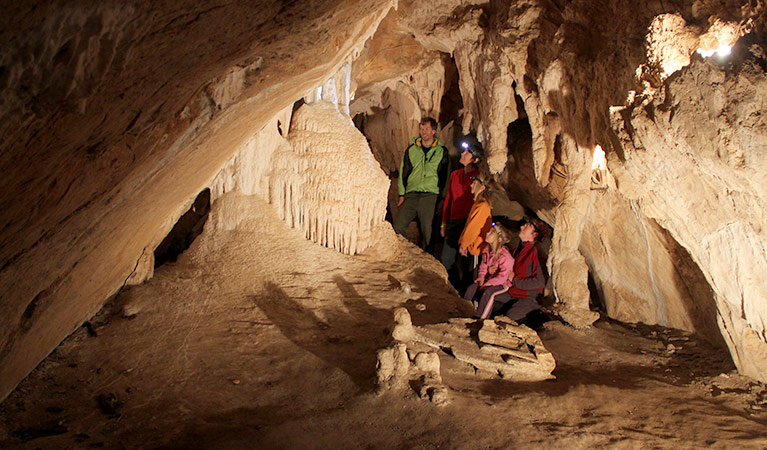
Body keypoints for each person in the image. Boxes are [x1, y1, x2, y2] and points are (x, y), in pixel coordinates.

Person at [476, 218, 550, 323]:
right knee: (486, 295)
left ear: (534, 235)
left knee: (506, 321)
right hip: (512, 292)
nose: (521, 227)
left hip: (528, 297)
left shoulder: (537, 253)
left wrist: (516, 280)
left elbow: (540, 281)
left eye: (527, 226)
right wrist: (495, 270)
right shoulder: (519, 248)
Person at [393, 117, 449, 249]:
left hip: (430, 195)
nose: (423, 132)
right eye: (422, 129)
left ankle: (428, 260)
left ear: (434, 131)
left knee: (428, 232)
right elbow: (404, 172)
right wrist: (402, 194)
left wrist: (442, 198)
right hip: (411, 193)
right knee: (398, 227)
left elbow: (445, 176)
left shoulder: (442, 152)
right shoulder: (412, 150)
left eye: (427, 129)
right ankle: (410, 252)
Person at [440, 138, 482, 292]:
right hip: (454, 220)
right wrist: (444, 223)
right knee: (446, 259)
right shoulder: (455, 175)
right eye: (463, 151)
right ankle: (454, 288)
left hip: (468, 223)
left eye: (467, 153)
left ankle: (466, 293)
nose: (462, 154)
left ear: (475, 159)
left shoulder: (478, 177)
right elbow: (449, 200)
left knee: (466, 261)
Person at [464, 223, 515, 318]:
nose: (487, 233)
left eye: (491, 232)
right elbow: (483, 267)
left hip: (502, 285)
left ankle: (480, 318)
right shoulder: (486, 250)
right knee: (471, 289)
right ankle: (463, 311)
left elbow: (503, 277)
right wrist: (481, 279)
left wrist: (487, 284)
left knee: (489, 293)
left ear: (499, 239)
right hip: (488, 280)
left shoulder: (505, 257)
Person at [458, 174, 493, 258]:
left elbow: (473, 228)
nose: (471, 185)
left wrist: (464, 244)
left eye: (474, 183)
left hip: (476, 248)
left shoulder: (482, 206)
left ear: (482, 187)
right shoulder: (478, 203)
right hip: (473, 246)